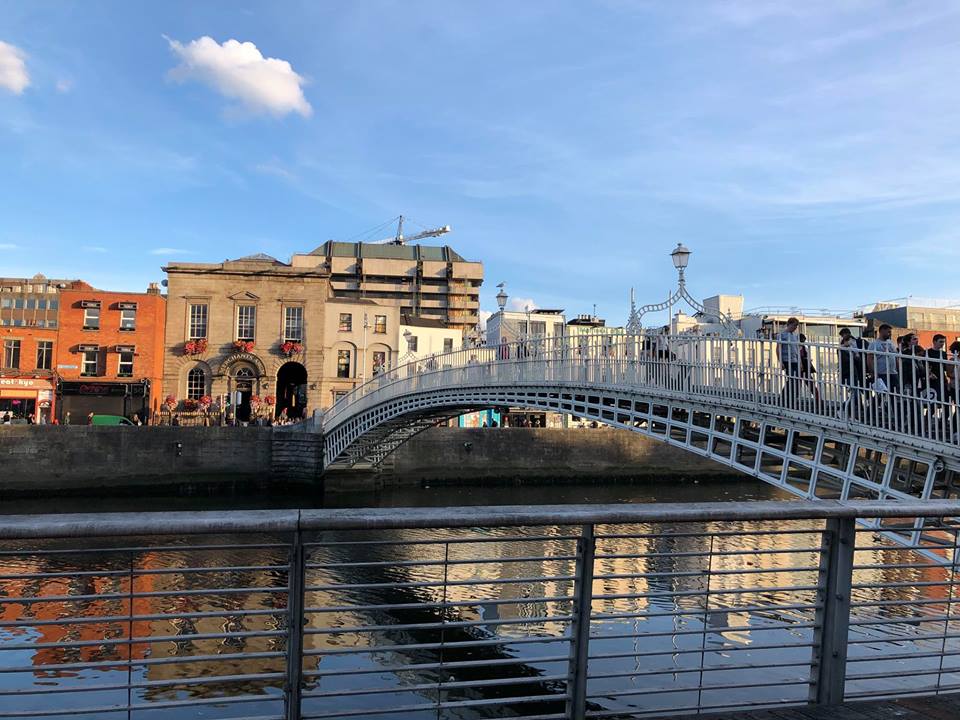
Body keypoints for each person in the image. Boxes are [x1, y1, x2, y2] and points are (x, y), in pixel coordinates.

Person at [867, 324, 899, 429]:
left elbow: (896, 356)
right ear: (881, 331)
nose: (889, 333)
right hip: (881, 373)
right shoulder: (874, 344)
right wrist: (873, 372)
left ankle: (896, 417)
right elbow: (870, 358)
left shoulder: (891, 343)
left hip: (893, 372)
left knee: (895, 395)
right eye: (888, 331)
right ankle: (871, 413)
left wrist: (898, 369)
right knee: (880, 394)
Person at [838, 328, 866, 419]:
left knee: (856, 392)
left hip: (856, 371)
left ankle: (847, 410)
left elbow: (858, 357)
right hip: (849, 372)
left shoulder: (856, 343)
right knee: (855, 392)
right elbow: (845, 360)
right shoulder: (842, 348)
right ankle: (844, 409)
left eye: (843, 335)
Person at [777, 317, 802, 407]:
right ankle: (785, 398)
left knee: (796, 380)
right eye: (794, 325)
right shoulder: (782, 335)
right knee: (792, 379)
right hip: (787, 360)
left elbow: (796, 349)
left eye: (796, 326)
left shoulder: (794, 336)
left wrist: (800, 362)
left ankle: (791, 398)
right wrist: (781, 362)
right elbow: (778, 348)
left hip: (794, 360)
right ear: (789, 324)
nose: (795, 327)